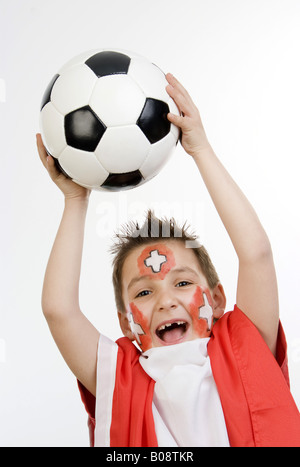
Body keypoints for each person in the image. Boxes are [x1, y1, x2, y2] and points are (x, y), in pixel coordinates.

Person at [37, 73, 300, 447]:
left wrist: (202, 150)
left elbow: (256, 254)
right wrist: (74, 201)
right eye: (144, 293)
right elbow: (58, 310)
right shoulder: (118, 374)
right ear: (125, 324)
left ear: (218, 299)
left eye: (182, 282)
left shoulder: (244, 344)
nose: (166, 300)